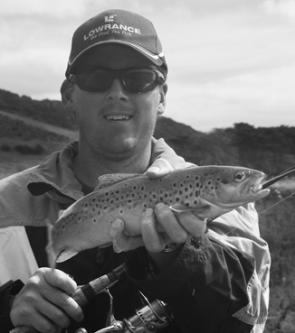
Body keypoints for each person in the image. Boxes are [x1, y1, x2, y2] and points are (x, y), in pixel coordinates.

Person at [0, 9, 270, 333]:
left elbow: (250, 321)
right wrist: (7, 309)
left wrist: (186, 259)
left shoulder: (231, 213)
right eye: (96, 77)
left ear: (162, 97)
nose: (117, 92)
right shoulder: (6, 203)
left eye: (139, 78)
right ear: (68, 96)